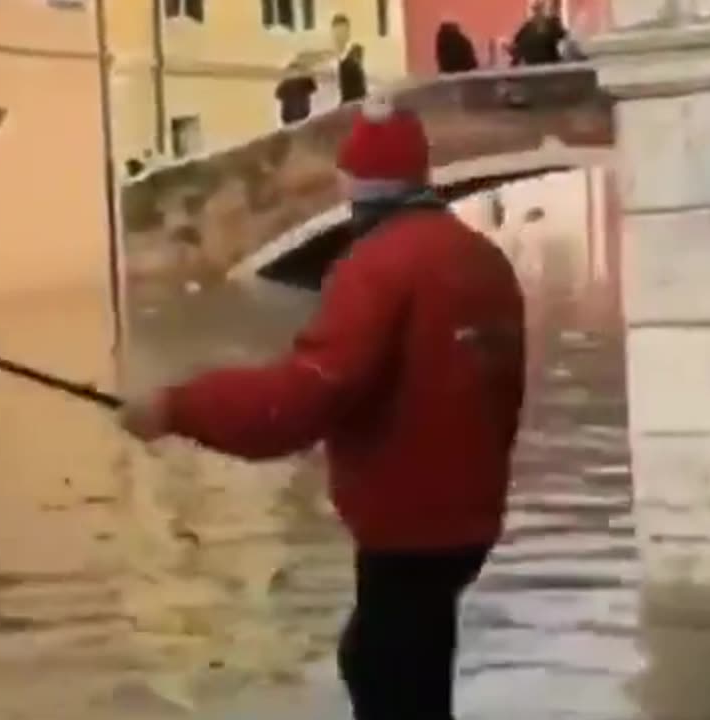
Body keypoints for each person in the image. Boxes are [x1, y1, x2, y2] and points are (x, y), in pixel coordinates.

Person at [118, 97, 527, 720]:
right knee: (397, 660)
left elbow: (299, 400)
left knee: (384, 671)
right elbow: (503, 397)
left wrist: (176, 407)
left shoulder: (375, 269)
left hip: (406, 530)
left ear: (356, 184)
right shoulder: (486, 262)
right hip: (467, 523)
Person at [510, 0, 568, 66]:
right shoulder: (550, 24)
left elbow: (516, 46)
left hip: (533, 69)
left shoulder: (526, 28)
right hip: (550, 67)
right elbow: (563, 35)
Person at [331, 14, 368, 104]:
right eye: (337, 32)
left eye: (342, 32)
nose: (339, 36)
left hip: (354, 103)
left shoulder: (355, 52)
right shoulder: (336, 55)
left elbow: (360, 88)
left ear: (348, 32)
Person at [275, 54, 319, 126]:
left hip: (291, 115)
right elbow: (313, 88)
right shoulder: (304, 80)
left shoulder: (287, 83)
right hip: (299, 114)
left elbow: (278, 94)